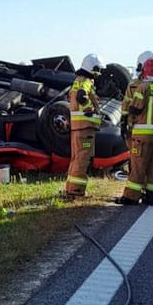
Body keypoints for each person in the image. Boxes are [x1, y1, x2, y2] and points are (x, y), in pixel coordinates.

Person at [115, 57, 153, 206]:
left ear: (146, 70)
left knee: (138, 167)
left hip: (142, 136)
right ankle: (152, 197)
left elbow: (135, 108)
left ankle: (131, 197)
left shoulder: (143, 87)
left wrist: (128, 121)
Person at [65, 53, 104, 197]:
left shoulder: (77, 81)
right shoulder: (87, 81)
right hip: (85, 128)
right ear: (93, 68)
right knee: (83, 158)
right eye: (98, 70)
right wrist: (91, 109)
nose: (99, 73)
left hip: (77, 127)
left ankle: (70, 188)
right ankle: (77, 190)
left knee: (76, 157)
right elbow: (82, 96)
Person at [120, 51, 153, 146]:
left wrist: (123, 122)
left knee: (137, 158)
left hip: (137, 130)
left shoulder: (133, 85)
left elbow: (125, 106)